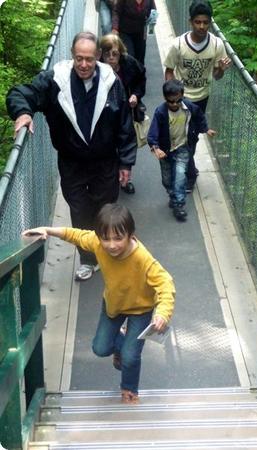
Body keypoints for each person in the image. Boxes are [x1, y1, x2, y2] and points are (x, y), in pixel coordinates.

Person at [6, 31, 137, 282]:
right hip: (71, 162)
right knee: (79, 210)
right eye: (79, 59)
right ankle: (89, 258)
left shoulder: (112, 82)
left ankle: (110, 251)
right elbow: (20, 93)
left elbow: (124, 124)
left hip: (104, 161)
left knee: (105, 209)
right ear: (72, 56)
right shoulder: (56, 80)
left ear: (98, 56)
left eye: (89, 59)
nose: (84, 65)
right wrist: (23, 113)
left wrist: (126, 162)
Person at [22, 203, 175, 404]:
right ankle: (121, 343)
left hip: (141, 309)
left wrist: (162, 313)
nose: (111, 245)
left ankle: (129, 390)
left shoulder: (142, 258)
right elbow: (74, 234)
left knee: (130, 357)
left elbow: (165, 283)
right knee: (100, 348)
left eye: (118, 238)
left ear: (130, 235)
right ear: (99, 236)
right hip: (113, 304)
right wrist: (47, 230)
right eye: (106, 238)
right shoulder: (97, 243)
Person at [164, 0, 231, 192]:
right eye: (197, 22)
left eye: (205, 22)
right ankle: (189, 173)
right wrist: (170, 95)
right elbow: (169, 70)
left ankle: (189, 174)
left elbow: (217, 76)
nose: (201, 26)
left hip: (202, 98)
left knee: (190, 138)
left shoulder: (217, 45)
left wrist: (221, 69)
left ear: (210, 22)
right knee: (181, 138)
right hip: (181, 99)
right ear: (190, 22)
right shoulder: (178, 44)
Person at [147, 79, 215, 222]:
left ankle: (179, 205)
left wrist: (205, 129)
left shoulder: (189, 107)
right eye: (170, 101)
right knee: (166, 180)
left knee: (179, 176)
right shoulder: (160, 112)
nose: (174, 104)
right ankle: (172, 195)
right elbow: (153, 132)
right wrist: (155, 147)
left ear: (182, 96)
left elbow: (199, 116)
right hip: (165, 151)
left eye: (178, 101)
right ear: (165, 99)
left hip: (182, 148)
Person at [99, 33, 146, 194]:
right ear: (101, 54)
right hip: (105, 115)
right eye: (107, 54)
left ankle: (126, 179)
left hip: (127, 112)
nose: (111, 58)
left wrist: (136, 95)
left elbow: (141, 78)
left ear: (121, 53)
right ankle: (111, 177)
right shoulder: (97, 68)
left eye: (115, 54)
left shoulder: (129, 64)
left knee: (126, 142)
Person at [112, 0, 157, 65]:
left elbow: (153, 11)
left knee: (140, 56)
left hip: (141, 31)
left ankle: (140, 73)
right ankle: (130, 72)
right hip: (125, 31)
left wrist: (152, 22)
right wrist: (115, 28)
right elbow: (116, 11)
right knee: (130, 55)